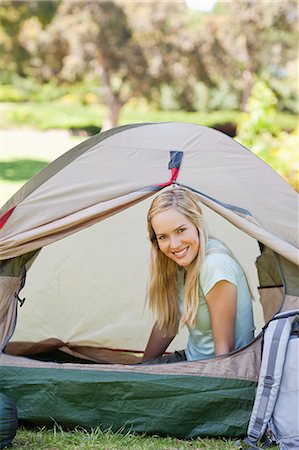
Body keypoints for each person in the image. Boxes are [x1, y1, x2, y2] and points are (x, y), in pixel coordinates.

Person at [141, 187, 255, 364]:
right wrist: (140, 370)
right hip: (192, 361)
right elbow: (168, 323)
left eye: (180, 230)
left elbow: (225, 352)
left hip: (215, 371)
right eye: (163, 237)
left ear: (197, 224)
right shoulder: (180, 263)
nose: (174, 245)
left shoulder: (214, 265)